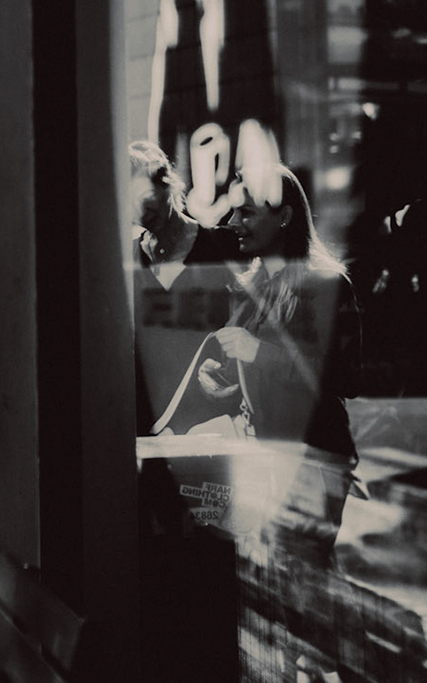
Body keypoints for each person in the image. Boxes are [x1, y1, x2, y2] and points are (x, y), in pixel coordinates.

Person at [213, 161, 363, 564]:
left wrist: (258, 352)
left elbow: (345, 377)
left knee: (297, 570)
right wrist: (223, 378)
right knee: (274, 577)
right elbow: (255, 374)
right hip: (262, 460)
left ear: (284, 217)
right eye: (233, 212)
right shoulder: (248, 289)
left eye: (246, 213)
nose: (233, 222)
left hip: (312, 460)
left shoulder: (326, 283)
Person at [129, 139, 241, 435]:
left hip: (209, 419)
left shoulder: (223, 246)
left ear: (167, 184)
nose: (139, 210)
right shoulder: (126, 258)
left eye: (144, 196)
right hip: (147, 425)